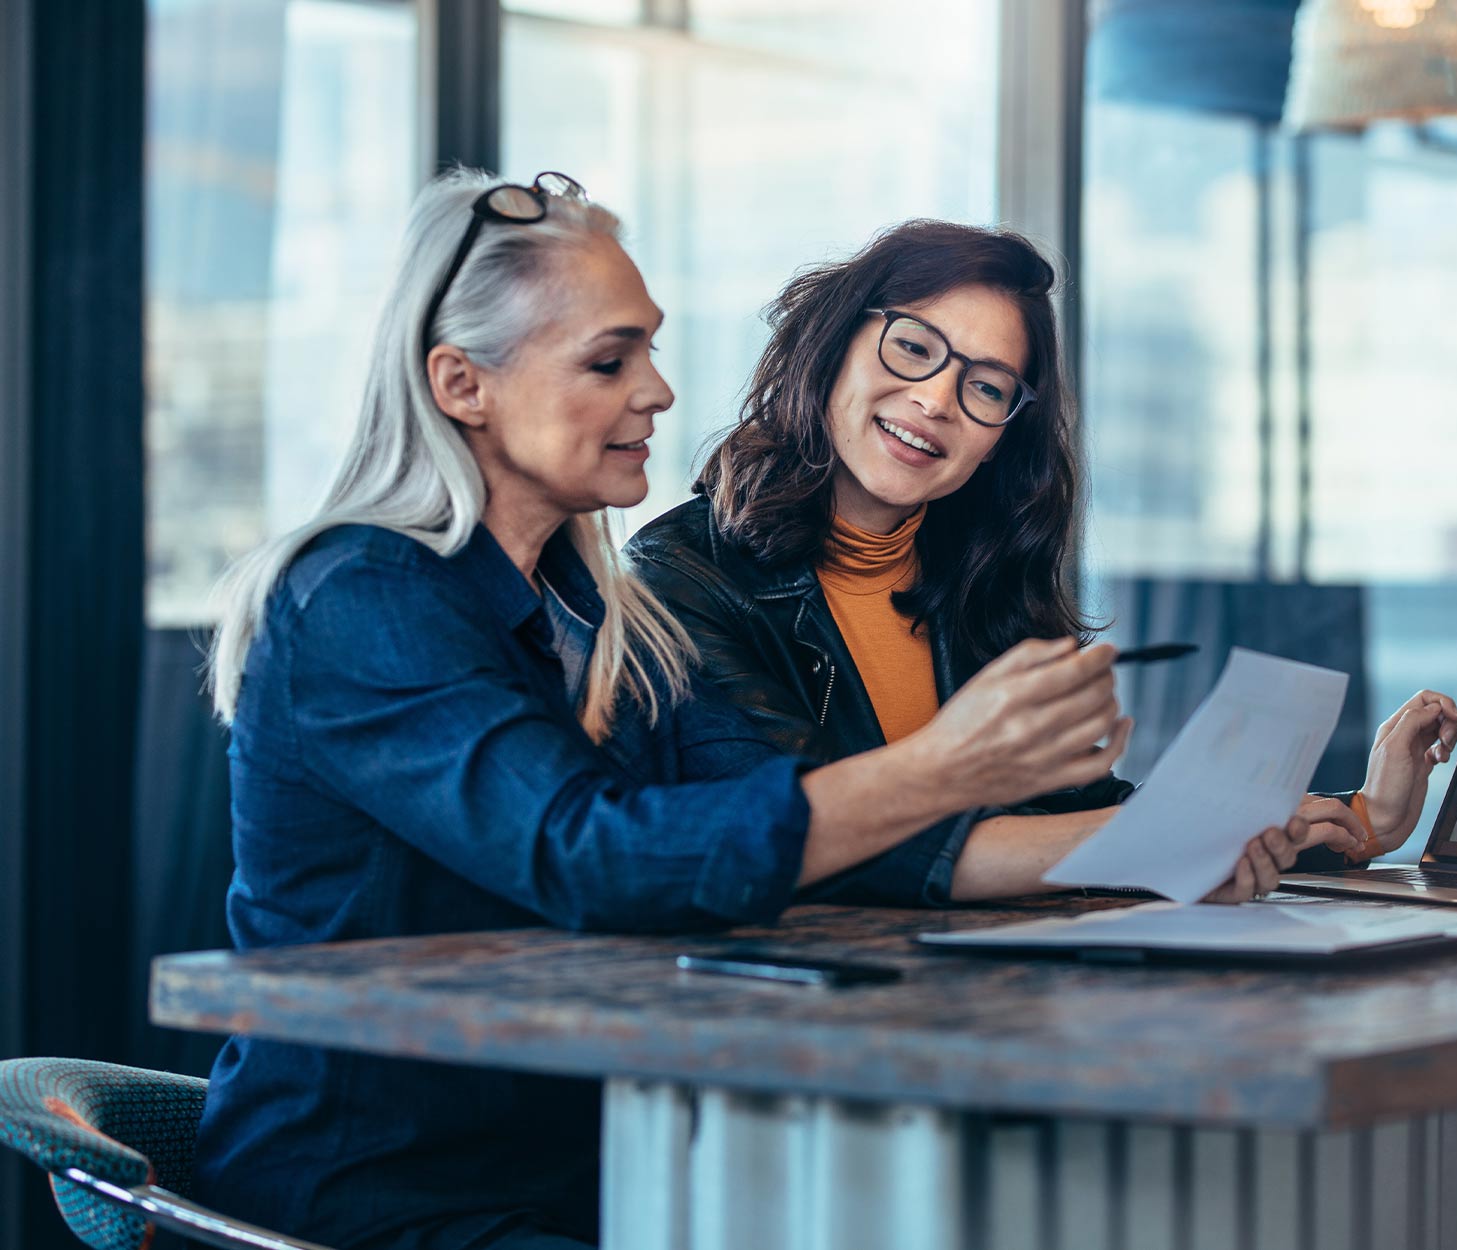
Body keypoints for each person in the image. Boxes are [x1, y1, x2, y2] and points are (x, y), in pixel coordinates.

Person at [193, 172, 1306, 1250]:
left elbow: (781, 814)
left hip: (596, 1160)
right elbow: (589, 854)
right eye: (608, 359)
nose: (658, 391)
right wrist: (950, 765)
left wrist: (1181, 836)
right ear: (461, 384)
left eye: (651, 348)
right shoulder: (362, 595)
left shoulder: (595, 606)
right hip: (384, 1197)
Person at [627, 220, 1457, 897]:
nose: (935, 401)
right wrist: (1170, 843)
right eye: (914, 348)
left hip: (988, 1005)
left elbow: (1076, 817)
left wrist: (1362, 819)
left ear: (1001, 439)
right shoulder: (679, 579)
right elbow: (815, 838)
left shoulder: (980, 583)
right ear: (833, 345)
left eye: (986, 387)